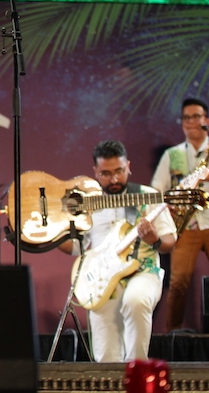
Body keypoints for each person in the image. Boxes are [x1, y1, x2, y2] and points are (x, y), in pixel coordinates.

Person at [59, 140, 176, 362]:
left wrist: (154, 239)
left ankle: (137, 372)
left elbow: (169, 242)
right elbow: (75, 247)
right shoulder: (87, 204)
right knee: (106, 355)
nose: (114, 179)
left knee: (136, 300)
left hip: (143, 271)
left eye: (119, 171)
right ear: (95, 171)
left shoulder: (147, 196)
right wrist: (53, 234)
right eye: (105, 173)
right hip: (103, 278)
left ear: (128, 166)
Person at [151, 98, 209, 332]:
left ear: (206, 121)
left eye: (196, 117)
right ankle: (173, 337)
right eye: (187, 118)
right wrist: (170, 205)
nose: (191, 122)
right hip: (186, 226)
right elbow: (157, 189)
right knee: (177, 283)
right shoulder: (172, 155)